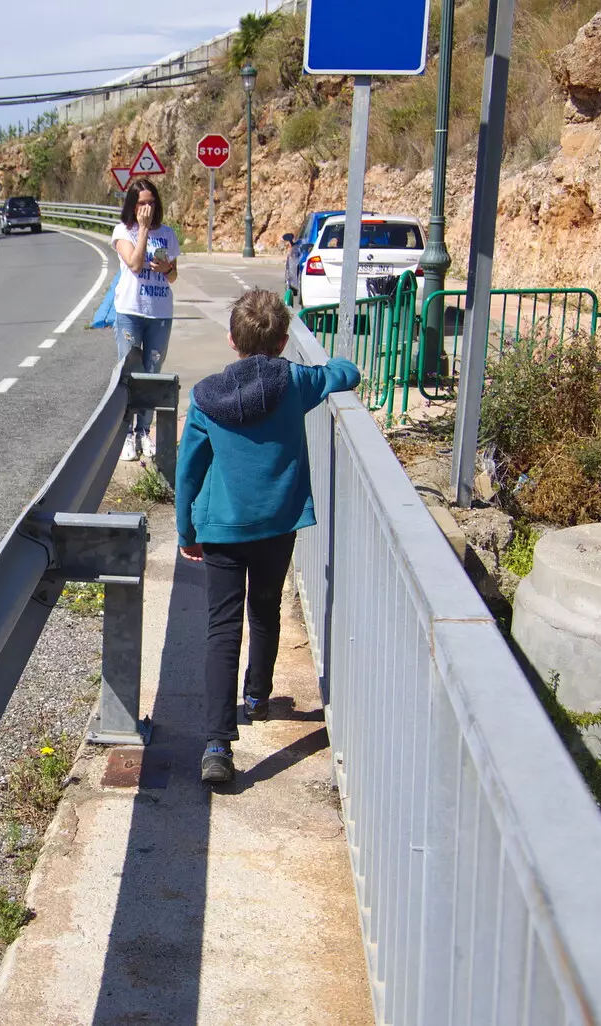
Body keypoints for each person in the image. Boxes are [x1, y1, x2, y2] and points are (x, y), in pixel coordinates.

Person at [174, 289, 361, 785]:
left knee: (221, 627)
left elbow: (188, 471)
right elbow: (346, 373)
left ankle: (217, 744)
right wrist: (336, 360)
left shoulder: (204, 398)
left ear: (232, 339)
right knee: (265, 608)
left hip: (221, 529)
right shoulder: (296, 382)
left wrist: (185, 529)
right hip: (278, 523)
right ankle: (257, 696)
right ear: (282, 342)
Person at [110, 178, 179, 461]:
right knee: (129, 376)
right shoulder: (123, 232)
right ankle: (126, 434)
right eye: (141, 203)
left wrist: (167, 268)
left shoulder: (169, 234)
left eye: (151, 202)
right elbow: (135, 264)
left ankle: (143, 432)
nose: (147, 208)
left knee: (152, 374)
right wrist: (142, 231)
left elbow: (174, 276)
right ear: (132, 205)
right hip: (130, 311)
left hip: (159, 312)